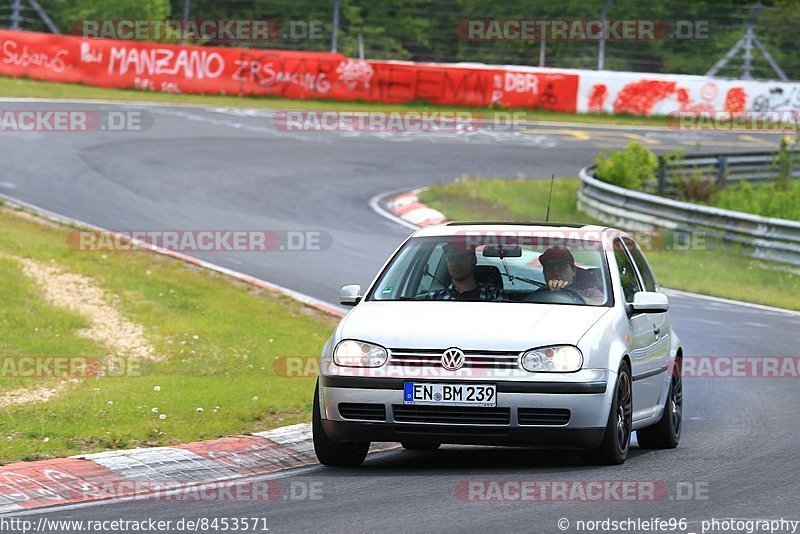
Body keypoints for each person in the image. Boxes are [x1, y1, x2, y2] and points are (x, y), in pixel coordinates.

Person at [424, 243, 506, 301]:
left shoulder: (494, 295)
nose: (455, 263)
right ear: (447, 262)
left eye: (461, 257)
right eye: (451, 258)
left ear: (473, 260)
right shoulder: (435, 297)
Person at [538, 245, 605, 305]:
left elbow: (600, 306)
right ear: (544, 272)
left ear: (573, 271)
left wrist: (566, 292)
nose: (555, 270)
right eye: (549, 266)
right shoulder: (538, 294)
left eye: (561, 266)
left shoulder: (591, 293)